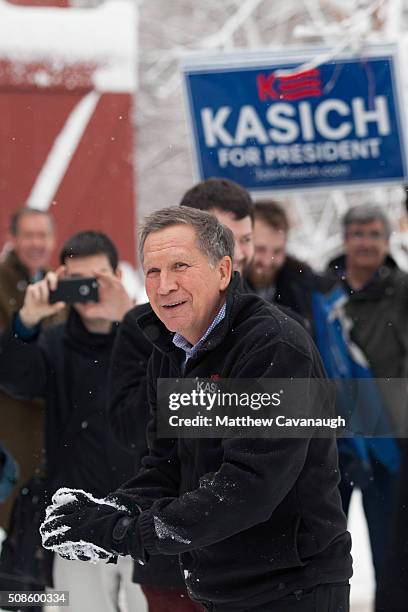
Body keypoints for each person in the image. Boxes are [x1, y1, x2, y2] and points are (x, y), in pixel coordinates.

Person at [41, 207, 352, 612]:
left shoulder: (275, 347)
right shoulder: (173, 350)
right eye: (152, 271)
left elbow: (250, 487)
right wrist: (114, 511)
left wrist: (128, 533)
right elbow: (167, 465)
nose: (164, 285)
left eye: (180, 266)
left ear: (223, 271)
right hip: (221, 587)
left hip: (294, 587)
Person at [0, 231, 147, 612]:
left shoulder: (149, 335)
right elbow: (16, 380)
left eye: (97, 279)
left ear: (117, 274)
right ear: (63, 281)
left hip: (145, 513)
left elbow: (173, 380)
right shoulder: (53, 341)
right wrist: (25, 322)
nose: (89, 292)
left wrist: (126, 318)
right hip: (77, 516)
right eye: (79, 282)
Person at [324, 204, 406, 596]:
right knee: (321, 550)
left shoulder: (403, 292)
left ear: (388, 241)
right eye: (358, 233)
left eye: (374, 234)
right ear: (345, 239)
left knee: (393, 555)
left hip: (390, 442)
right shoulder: (321, 292)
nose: (366, 242)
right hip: (333, 443)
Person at [0, 208, 56, 530]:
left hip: (53, 425)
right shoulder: (2, 283)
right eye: (29, 235)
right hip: (12, 422)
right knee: (12, 524)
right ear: (13, 239)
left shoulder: (56, 284)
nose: (36, 243)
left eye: (43, 235)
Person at [247, 200, 333, 331]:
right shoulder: (225, 287)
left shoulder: (304, 287)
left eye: (277, 251)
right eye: (260, 249)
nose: (267, 261)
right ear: (243, 244)